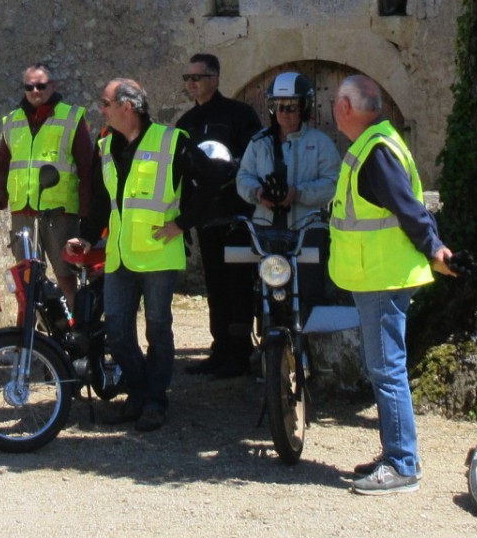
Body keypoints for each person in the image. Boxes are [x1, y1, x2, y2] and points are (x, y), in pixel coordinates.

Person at [79, 77, 232, 432]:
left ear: (126, 107)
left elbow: (212, 180)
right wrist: (87, 238)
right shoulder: (104, 145)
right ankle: (138, 391)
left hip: (160, 255)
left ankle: (154, 401)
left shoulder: (172, 141)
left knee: (158, 330)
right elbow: (102, 200)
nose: (100, 109)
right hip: (120, 254)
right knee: (116, 330)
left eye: (105, 103)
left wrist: (183, 223)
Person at [328, 75, 456, 495]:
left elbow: (409, 209)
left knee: (387, 371)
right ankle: (396, 455)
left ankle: (402, 464)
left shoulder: (376, 150)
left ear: (347, 108)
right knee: (385, 368)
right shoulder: (375, 144)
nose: (332, 109)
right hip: (379, 275)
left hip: (384, 277)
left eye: (335, 102)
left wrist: (435, 249)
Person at [177, 52, 260, 378]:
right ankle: (219, 348)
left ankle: (240, 354)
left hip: (236, 215)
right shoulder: (186, 123)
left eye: (197, 77)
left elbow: (253, 157)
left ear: (215, 78)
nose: (192, 83)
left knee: (238, 284)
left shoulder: (239, 115)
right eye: (187, 78)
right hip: (205, 215)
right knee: (214, 284)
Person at [0, 62, 95, 306]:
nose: (35, 91)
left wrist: (86, 212)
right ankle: (27, 330)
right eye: (29, 86)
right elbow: (3, 165)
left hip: (58, 212)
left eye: (41, 86)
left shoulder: (71, 117)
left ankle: (74, 328)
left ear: (53, 86)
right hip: (22, 212)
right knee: (25, 279)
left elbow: (87, 169)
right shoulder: (11, 121)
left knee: (65, 275)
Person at [236, 71, 341, 322]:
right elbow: (243, 177)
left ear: (304, 107)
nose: (285, 112)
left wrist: (299, 193)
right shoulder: (259, 143)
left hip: (306, 227)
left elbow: (333, 182)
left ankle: (312, 346)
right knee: (262, 289)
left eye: (292, 107)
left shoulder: (320, 143)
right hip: (266, 228)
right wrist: (258, 193)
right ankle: (267, 342)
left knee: (310, 290)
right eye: (279, 106)